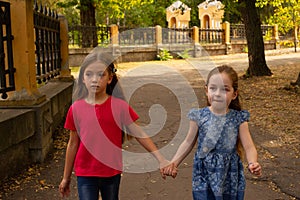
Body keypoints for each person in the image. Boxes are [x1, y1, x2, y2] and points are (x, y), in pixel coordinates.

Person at [59, 50, 172, 200]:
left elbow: (140, 134)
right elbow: (73, 144)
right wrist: (66, 177)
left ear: (110, 78)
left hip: (111, 172)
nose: (94, 79)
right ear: (83, 79)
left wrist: (161, 159)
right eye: (89, 74)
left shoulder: (119, 107)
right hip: (85, 172)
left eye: (101, 74)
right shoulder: (76, 109)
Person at [163, 65, 262, 200]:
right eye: (213, 88)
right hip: (204, 173)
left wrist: (252, 163)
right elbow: (188, 142)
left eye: (225, 89)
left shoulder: (239, 118)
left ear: (234, 94)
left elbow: (249, 146)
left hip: (229, 174)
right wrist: (174, 162)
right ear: (206, 90)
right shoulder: (199, 116)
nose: (217, 93)